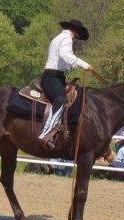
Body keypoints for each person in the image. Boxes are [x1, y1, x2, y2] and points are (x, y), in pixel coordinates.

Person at [38, 19, 92, 149]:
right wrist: (84, 64)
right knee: (61, 99)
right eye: (77, 37)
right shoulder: (66, 39)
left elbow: (64, 59)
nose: (76, 40)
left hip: (56, 76)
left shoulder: (58, 38)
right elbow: (66, 55)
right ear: (75, 33)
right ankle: (45, 133)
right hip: (52, 76)